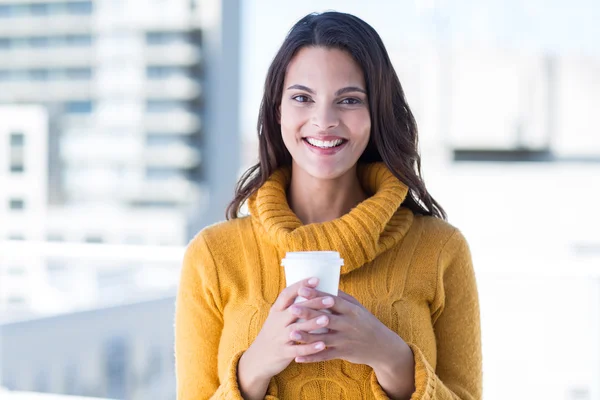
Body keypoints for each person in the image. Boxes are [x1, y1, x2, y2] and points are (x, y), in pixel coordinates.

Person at [175, 11, 482, 400]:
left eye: (349, 100)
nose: (323, 121)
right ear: (277, 111)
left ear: (376, 114)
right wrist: (256, 366)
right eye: (302, 98)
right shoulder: (213, 256)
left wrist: (391, 358)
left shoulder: (441, 249)